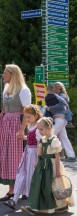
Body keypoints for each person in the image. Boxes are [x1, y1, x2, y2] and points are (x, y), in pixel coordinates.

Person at [21, 117, 74, 216]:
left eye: (41, 129)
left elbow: (57, 157)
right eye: (38, 129)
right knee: (39, 184)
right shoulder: (42, 140)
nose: (39, 131)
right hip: (42, 165)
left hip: (52, 165)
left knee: (53, 186)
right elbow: (40, 153)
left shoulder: (54, 140)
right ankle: (35, 207)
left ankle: (61, 206)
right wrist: (37, 161)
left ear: (49, 128)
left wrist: (57, 171)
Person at [0, 64, 31, 201]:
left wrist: (21, 130)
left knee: (19, 157)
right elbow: (5, 109)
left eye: (6, 73)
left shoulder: (23, 90)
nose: (3, 75)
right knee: (7, 156)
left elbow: (27, 112)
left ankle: (24, 190)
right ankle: (11, 190)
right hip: (6, 125)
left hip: (17, 125)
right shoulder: (6, 89)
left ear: (13, 75)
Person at [3, 105, 42, 210]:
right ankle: (14, 200)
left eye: (29, 117)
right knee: (20, 174)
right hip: (27, 152)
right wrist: (23, 137)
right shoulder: (31, 126)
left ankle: (32, 202)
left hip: (33, 153)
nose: (27, 119)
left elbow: (39, 143)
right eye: (25, 117)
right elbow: (30, 138)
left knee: (30, 176)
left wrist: (38, 158)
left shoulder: (38, 128)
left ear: (36, 116)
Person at [51, 82, 77, 162]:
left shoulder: (61, 96)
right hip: (61, 119)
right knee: (64, 138)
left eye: (54, 89)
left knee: (51, 135)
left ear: (58, 89)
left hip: (60, 119)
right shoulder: (63, 95)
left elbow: (61, 105)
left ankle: (50, 154)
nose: (53, 91)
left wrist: (51, 108)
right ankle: (71, 155)